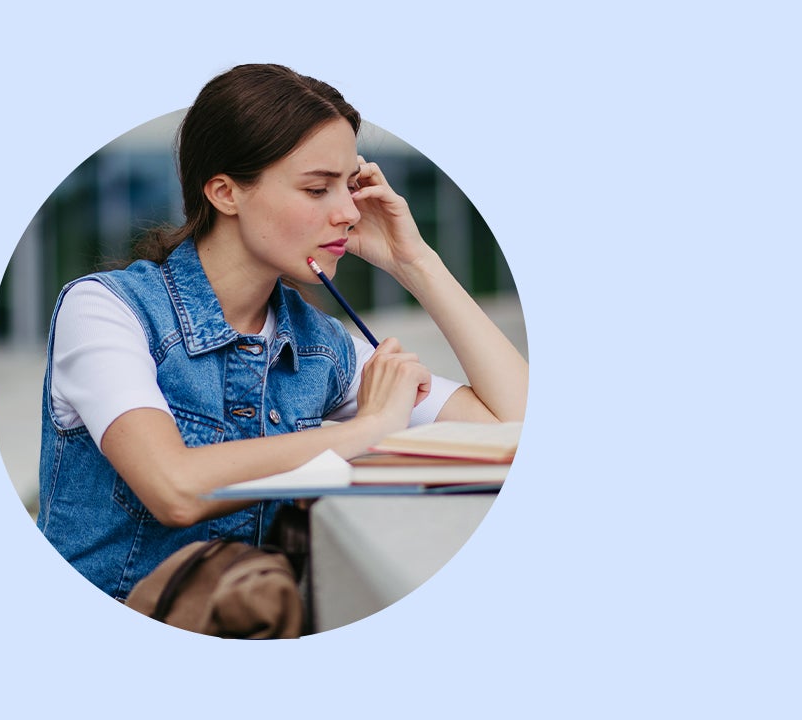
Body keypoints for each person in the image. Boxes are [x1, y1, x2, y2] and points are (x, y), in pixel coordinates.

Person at [38, 64, 528, 601]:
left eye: (350, 185)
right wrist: (366, 429)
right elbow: (173, 487)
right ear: (226, 192)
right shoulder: (106, 310)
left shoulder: (324, 346)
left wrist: (416, 263)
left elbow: (517, 426)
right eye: (318, 188)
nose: (347, 212)